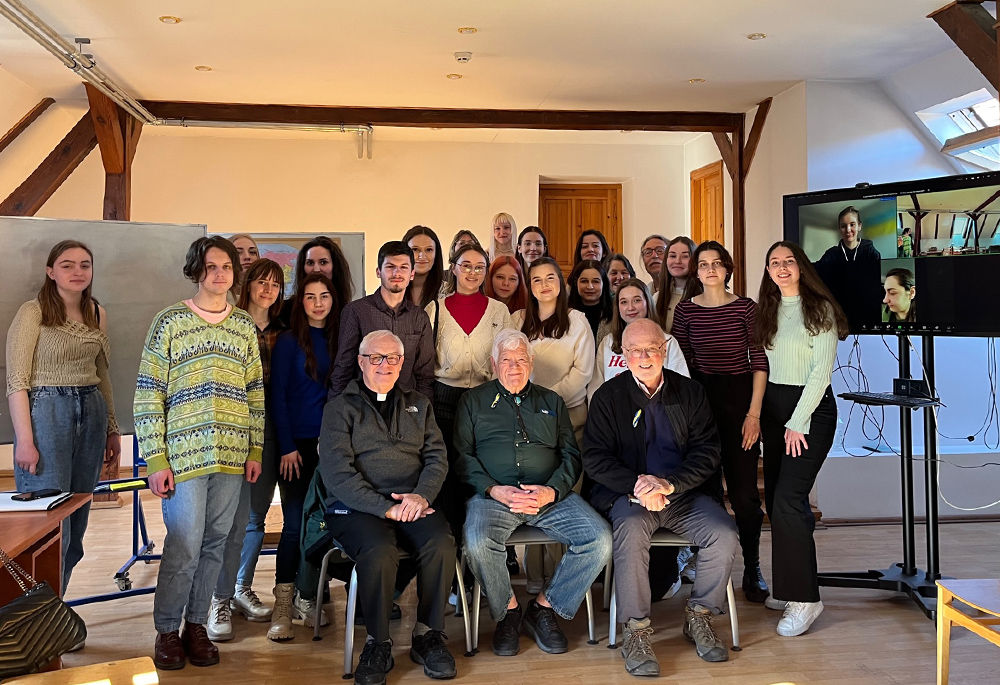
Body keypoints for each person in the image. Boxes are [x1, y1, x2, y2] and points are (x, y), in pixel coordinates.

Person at [135, 236, 264, 670]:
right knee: (184, 546)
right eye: (210, 266)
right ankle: (167, 630)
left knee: (215, 545)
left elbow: (255, 393)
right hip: (184, 458)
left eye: (226, 266)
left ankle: (196, 626)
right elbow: (148, 393)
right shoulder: (169, 321)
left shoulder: (244, 325)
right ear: (196, 270)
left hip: (232, 456)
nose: (219, 274)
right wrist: (155, 459)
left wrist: (255, 448)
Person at [583, 318, 738, 675]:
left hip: (682, 494)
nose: (645, 356)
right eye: (635, 350)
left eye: (652, 348)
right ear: (623, 354)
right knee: (632, 531)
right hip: (631, 497)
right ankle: (636, 631)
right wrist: (639, 484)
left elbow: (707, 452)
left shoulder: (691, 392)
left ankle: (698, 615)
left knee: (724, 534)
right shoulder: (608, 396)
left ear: (665, 349)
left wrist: (670, 484)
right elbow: (595, 458)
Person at [455, 328, 612, 657]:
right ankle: (508, 612)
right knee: (479, 542)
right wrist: (493, 489)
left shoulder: (551, 400)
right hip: (493, 498)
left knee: (599, 538)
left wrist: (552, 491)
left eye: (521, 359)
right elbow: (462, 457)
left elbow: (571, 455)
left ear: (532, 362)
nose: (514, 366)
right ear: (493, 363)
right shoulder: (472, 401)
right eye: (506, 360)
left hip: (548, 497)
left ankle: (544, 608)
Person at [318, 330, 456, 685]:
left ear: (402, 363)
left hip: (413, 502)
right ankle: (378, 642)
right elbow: (337, 474)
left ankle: (427, 634)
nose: (384, 365)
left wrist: (422, 496)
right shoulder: (339, 408)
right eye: (376, 358)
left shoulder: (419, 404)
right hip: (356, 507)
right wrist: (385, 508)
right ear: (362, 362)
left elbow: (437, 457)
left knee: (441, 542)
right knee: (379, 550)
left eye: (392, 358)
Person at [6, 240, 120, 594]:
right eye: (67, 265)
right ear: (50, 271)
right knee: (47, 527)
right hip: (47, 413)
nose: (77, 272)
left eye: (84, 265)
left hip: (92, 412)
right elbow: (17, 381)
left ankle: (54, 618)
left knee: (76, 528)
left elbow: (103, 375)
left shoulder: (97, 313)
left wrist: (112, 430)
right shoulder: (33, 312)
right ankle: (29, 627)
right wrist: (25, 440)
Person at [752, 241, 848, 637]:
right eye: (773, 262)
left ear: (801, 266)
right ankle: (790, 585)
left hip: (809, 412)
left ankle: (806, 600)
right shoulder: (768, 311)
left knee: (790, 500)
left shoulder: (820, 310)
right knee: (777, 498)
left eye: (788, 260)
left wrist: (797, 421)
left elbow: (820, 374)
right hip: (776, 410)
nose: (781, 267)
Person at [672, 241, 770, 603]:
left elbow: (760, 362)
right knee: (703, 492)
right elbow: (679, 367)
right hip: (699, 404)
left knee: (744, 495)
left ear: (727, 268)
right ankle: (706, 565)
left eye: (716, 263)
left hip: (740, 404)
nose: (710, 269)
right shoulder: (685, 311)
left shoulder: (747, 308)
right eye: (703, 264)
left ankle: (753, 567)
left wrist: (754, 414)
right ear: (695, 272)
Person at [210, 259, 286, 640]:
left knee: (255, 516)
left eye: (275, 283)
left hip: (271, 426)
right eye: (261, 281)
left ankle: (240, 589)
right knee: (225, 519)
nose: (267, 289)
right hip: (230, 428)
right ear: (248, 285)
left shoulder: (284, 331)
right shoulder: (229, 323)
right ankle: (216, 596)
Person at [267, 273, 341, 640]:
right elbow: (277, 396)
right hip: (294, 446)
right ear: (300, 301)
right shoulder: (287, 342)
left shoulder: (341, 338)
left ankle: (307, 596)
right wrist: (286, 446)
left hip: (331, 446)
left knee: (322, 522)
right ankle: (283, 601)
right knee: (295, 523)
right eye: (309, 296)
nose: (317, 303)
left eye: (324, 296)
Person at [425, 243, 511, 547]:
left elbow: (507, 358)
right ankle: (452, 563)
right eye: (466, 265)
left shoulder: (499, 310)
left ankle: (483, 556)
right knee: (448, 478)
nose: (472, 272)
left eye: (479, 267)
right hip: (445, 399)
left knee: (484, 476)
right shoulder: (435, 308)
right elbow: (425, 361)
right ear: (453, 267)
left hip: (487, 401)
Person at [330, 241, 435, 402]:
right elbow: (343, 368)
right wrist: (336, 411)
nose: (397, 273)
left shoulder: (419, 318)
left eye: (403, 267)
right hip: (363, 406)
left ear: (412, 274)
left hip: (405, 407)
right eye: (390, 266)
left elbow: (424, 376)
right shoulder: (356, 311)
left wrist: (422, 415)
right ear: (379, 272)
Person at [588, 278, 687, 402]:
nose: (630, 307)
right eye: (624, 302)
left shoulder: (668, 341)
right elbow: (595, 389)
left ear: (648, 302)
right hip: (615, 414)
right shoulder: (608, 342)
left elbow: (682, 386)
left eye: (637, 300)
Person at [815, 206, 882, 330]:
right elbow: (815, 277)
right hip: (838, 314)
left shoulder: (870, 251)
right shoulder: (831, 254)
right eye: (843, 226)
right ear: (839, 229)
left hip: (866, 311)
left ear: (859, 226)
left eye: (852, 224)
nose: (848, 229)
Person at [279, 236, 353, 325]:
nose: (316, 269)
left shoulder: (348, 312)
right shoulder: (286, 310)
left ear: (335, 267)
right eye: (310, 263)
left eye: (323, 262)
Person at [654, 236, 697, 332]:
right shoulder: (657, 298)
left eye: (685, 256)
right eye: (673, 256)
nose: (678, 261)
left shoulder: (703, 297)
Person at [567, 259, 613, 342]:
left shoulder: (615, 313)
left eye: (595, 281)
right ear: (575, 283)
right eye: (584, 281)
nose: (590, 286)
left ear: (603, 284)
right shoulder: (565, 313)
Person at [404, 226, 444, 309]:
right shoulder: (392, 288)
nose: (422, 256)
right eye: (415, 249)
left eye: (428, 250)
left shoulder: (448, 292)